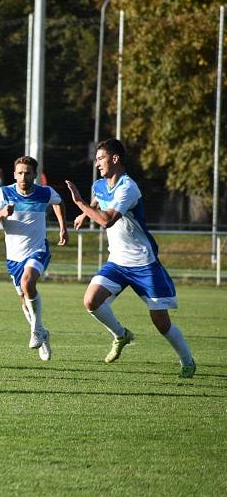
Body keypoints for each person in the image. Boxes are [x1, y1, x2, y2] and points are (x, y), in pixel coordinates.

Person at [66, 138, 195, 378]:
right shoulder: (99, 185)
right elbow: (98, 201)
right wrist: (85, 214)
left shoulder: (128, 188)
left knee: (161, 322)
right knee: (91, 300)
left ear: (115, 159)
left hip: (143, 263)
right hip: (117, 262)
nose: (97, 164)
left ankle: (187, 360)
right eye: (96, 159)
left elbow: (107, 220)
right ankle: (121, 334)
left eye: (101, 159)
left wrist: (80, 204)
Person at [0, 156, 67, 361]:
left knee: (28, 281)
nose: (23, 176)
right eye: (20, 173)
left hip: (38, 250)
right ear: (14, 175)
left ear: (34, 175)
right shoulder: (4, 193)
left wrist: (63, 228)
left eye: (27, 173)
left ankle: (36, 329)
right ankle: (42, 333)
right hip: (14, 258)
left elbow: (58, 202)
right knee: (23, 298)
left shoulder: (44, 192)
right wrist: (2, 213)